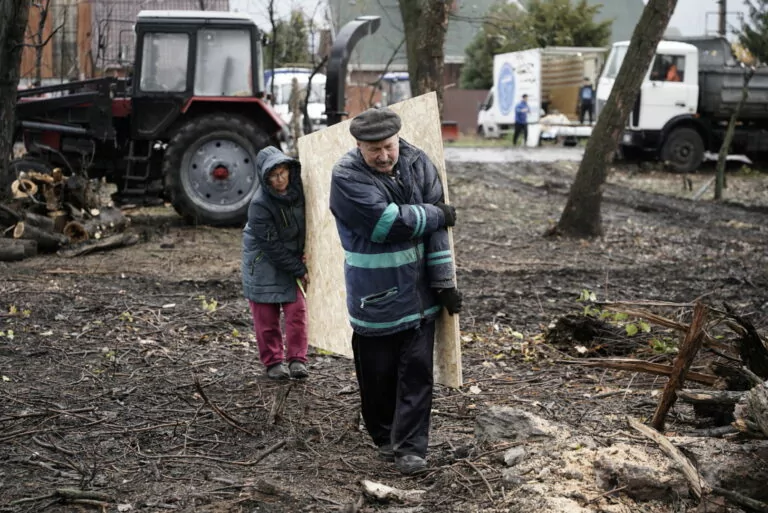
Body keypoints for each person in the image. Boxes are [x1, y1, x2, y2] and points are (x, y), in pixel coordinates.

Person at [329, 107, 463, 475]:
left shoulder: (420, 163)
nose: (384, 155)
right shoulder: (345, 176)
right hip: (374, 296)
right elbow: (386, 224)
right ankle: (385, 438)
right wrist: (435, 213)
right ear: (358, 145)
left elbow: (437, 233)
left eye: (389, 146)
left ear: (397, 139)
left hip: (420, 296)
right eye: (374, 149)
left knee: (418, 374)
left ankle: (410, 448)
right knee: (378, 377)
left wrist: (444, 284)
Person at [242, 146, 310, 381]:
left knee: (296, 313)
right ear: (265, 177)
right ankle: (273, 362)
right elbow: (271, 247)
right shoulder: (259, 205)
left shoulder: (300, 190)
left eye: (283, 172)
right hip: (263, 263)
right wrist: (299, 268)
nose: (280, 179)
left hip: (290, 257)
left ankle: (297, 360)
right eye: (273, 175)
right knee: (266, 317)